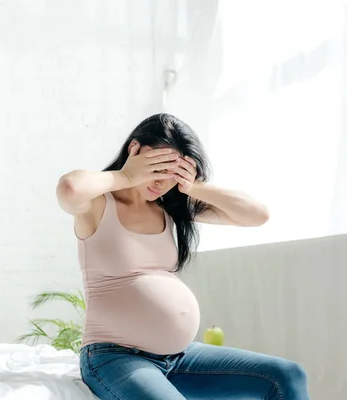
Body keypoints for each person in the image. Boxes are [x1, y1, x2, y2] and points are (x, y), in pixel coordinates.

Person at [56, 113, 309, 399]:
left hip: (179, 357)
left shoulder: (170, 208)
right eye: (157, 167)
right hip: (115, 357)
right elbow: (69, 188)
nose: (162, 181)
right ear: (135, 151)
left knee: (285, 376)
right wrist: (126, 176)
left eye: (172, 173)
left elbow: (257, 215)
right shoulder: (98, 204)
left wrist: (194, 187)